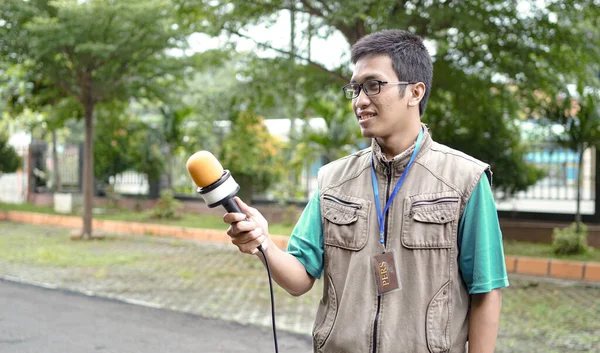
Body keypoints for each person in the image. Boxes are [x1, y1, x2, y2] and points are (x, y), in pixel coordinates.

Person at [223, 29, 508, 353]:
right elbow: (300, 278)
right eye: (355, 89)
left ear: (415, 92)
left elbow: (486, 292)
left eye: (373, 85)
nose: (360, 100)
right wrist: (264, 243)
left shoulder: (464, 180)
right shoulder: (333, 179)